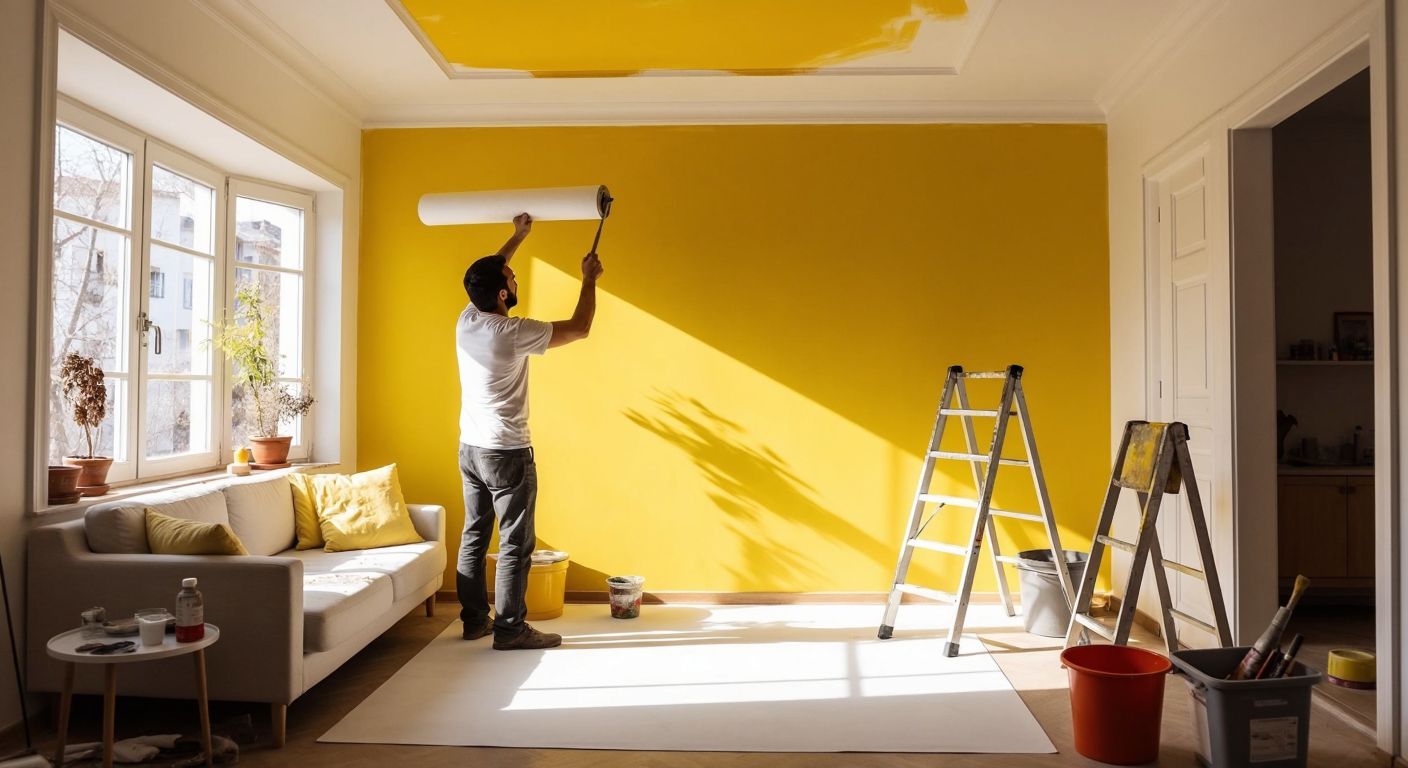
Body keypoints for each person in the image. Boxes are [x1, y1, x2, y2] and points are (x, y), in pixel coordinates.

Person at [455, 212, 604, 650]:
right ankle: (510, 629)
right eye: (513, 278)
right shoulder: (509, 332)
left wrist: (517, 237)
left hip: (471, 449)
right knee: (516, 542)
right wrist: (589, 279)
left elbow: (483, 274)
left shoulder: (468, 318)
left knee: (475, 534)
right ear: (503, 293)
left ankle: (473, 621)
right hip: (506, 454)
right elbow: (579, 328)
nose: (516, 279)